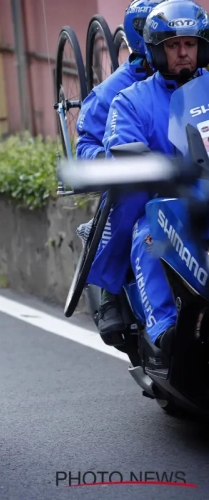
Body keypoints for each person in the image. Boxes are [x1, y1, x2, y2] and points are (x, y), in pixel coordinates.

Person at [99, 0, 209, 354]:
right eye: (173, 46)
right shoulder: (131, 100)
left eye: (189, 44)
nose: (182, 53)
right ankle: (165, 331)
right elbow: (120, 144)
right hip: (168, 201)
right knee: (150, 233)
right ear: (156, 50)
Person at [77, 0, 165, 345]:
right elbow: (85, 146)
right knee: (131, 198)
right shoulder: (115, 93)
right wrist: (115, 163)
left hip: (187, 171)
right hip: (134, 174)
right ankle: (111, 287)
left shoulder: (197, 79)